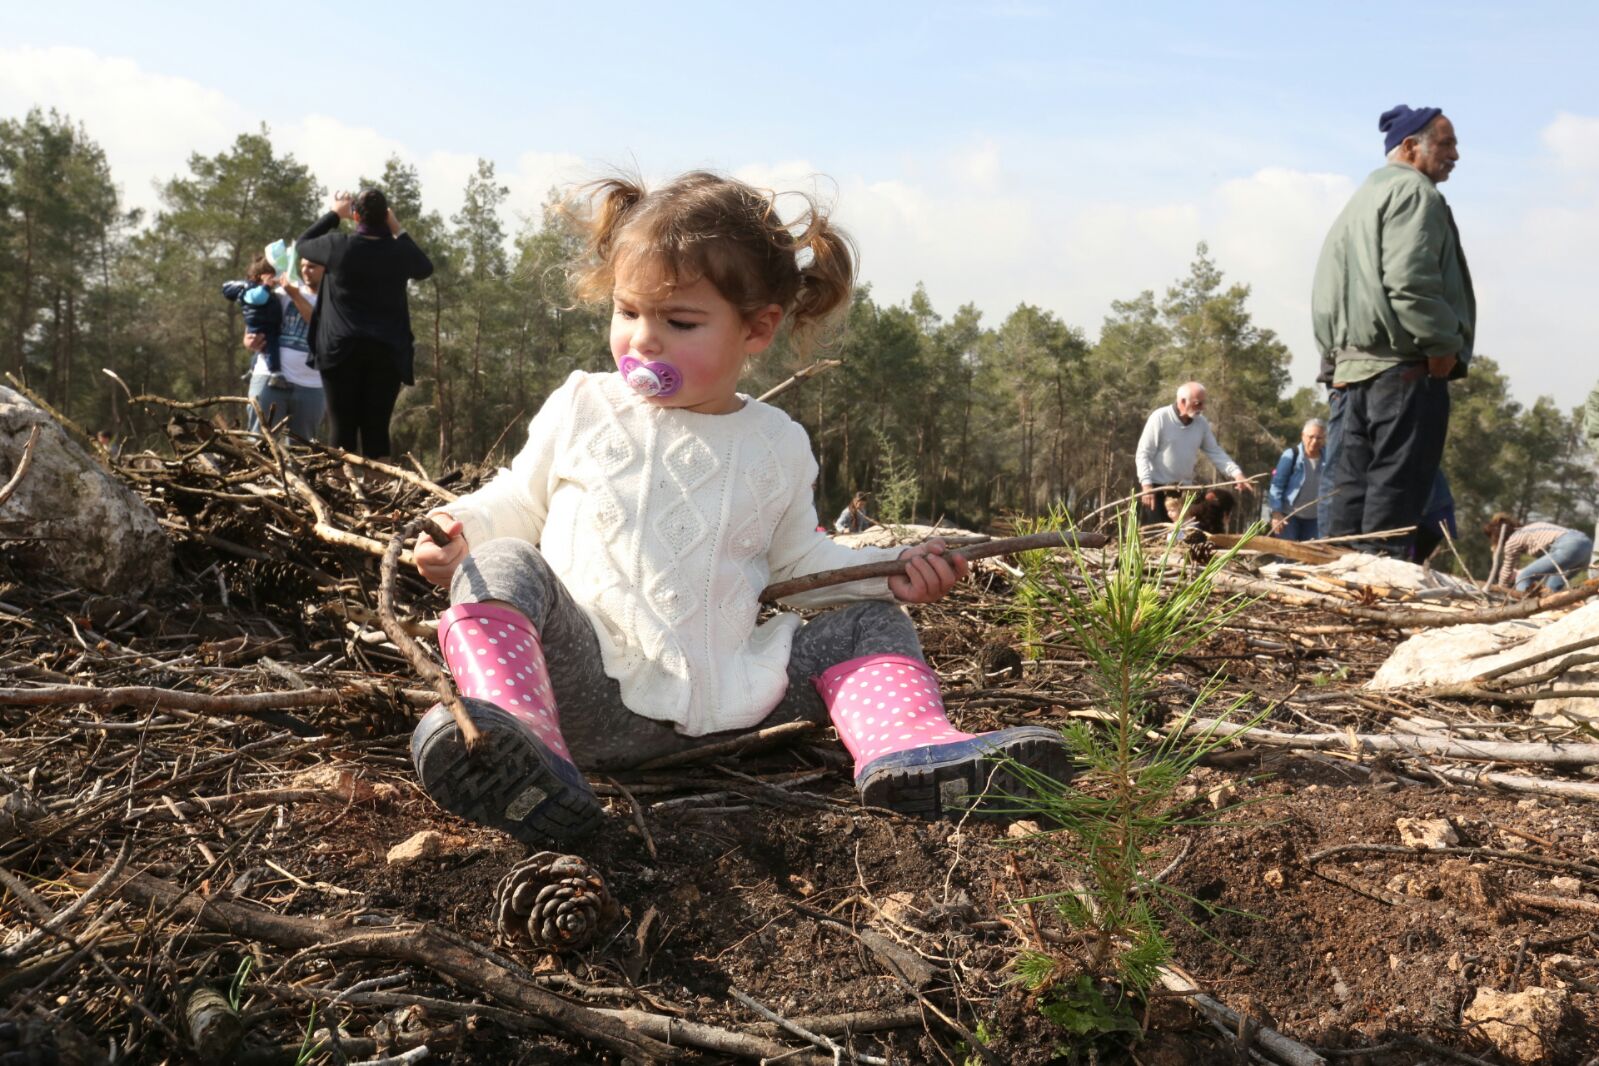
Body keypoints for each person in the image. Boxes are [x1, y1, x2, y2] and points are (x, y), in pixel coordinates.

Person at [408, 171, 1071, 842]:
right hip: (583, 695)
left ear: (756, 329)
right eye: (627, 311)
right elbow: (519, 501)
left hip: (734, 704)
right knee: (501, 563)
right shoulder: (583, 405)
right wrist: (459, 534)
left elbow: (803, 561)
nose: (643, 340)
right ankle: (514, 743)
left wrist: (892, 572)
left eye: (680, 321)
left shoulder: (775, 444)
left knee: (870, 621)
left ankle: (909, 751)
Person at [1312, 105, 1474, 558]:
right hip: (1402, 372)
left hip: (1350, 373)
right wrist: (1443, 343)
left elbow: (1326, 292)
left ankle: (1336, 607)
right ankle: (1375, 612)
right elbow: (1410, 281)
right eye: (1446, 143)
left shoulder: (1359, 201)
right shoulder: (1415, 193)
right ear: (1409, 147)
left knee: (1345, 503)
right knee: (1390, 507)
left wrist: (1335, 358)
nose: (1456, 154)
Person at [296, 188, 434, 459]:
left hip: (340, 352)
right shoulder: (399, 251)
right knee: (376, 429)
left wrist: (335, 213)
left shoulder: (338, 246)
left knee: (342, 429)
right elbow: (424, 267)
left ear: (355, 215)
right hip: (387, 353)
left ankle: (340, 495)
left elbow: (303, 244)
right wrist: (397, 227)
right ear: (385, 216)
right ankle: (379, 496)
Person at [1134, 381, 1250, 525]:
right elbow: (1143, 454)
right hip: (1157, 491)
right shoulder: (1160, 418)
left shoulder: (1201, 424)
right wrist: (1146, 486)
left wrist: (1236, 474)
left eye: (1203, 403)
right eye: (1197, 403)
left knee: (1184, 540)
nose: (1202, 408)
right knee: (1156, 538)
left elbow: (1215, 451)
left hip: (1184, 493)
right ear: (1182, 401)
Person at [243, 256, 327, 441]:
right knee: (259, 444)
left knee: (303, 451)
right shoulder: (282, 293)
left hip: (312, 386)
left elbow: (321, 327)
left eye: (312, 266)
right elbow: (256, 317)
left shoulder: (336, 301)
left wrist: (295, 295)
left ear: (326, 269)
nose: (305, 270)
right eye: (303, 265)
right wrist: (248, 339)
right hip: (269, 379)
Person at [1484, 514, 1592, 594]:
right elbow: (1547, 562)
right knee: (1551, 587)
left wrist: (1501, 589)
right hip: (1586, 545)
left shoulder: (1512, 541)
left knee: (1524, 577)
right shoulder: (1533, 527)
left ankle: (1523, 607)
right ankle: (1550, 608)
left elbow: (1507, 570)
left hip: (1569, 545)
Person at [221, 256, 285, 388]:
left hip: (265, 326)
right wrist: (267, 286)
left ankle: (251, 371)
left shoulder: (256, 290)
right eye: (273, 276)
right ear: (263, 276)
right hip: (263, 327)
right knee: (270, 347)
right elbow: (259, 299)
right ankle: (275, 373)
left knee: (261, 351)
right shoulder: (252, 290)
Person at [1266, 419, 1328, 540]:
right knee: (1286, 556)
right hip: (1288, 517)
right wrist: (1276, 513)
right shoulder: (1291, 455)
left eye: (1319, 438)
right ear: (1303, 436)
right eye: (1311, 437)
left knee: (1312, 555)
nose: (1314, 441)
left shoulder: (1329, 458)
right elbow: (1277, 485)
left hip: (1315, 519)